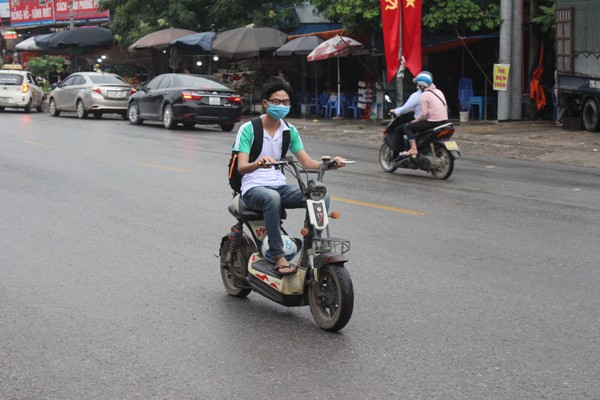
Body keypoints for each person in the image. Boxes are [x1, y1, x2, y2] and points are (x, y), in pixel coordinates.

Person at [233, 80, 346, 275]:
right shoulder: (249, 129)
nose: (282, 106)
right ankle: (278, 255)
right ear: (266, 103)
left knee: (320, 196)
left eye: (285, 102)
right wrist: (258, 164)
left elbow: (307, 163)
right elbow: (241, 167)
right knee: (272, 198)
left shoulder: (289, 131)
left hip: (279, 186)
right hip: (253, 187)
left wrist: (331, 164)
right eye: (276, 102)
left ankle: (311, 247)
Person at [401, 71, 449, 157]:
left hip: (433, 122)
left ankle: (413, 149)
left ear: (422, 86)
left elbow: (423, 114)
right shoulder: (439, 91)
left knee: (407, 127)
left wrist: (416, 120)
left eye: (418, 85)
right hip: (444, 121)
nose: (418, 86)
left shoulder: (424, 95)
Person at [386, 86, 423, 158]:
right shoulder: (434, 93)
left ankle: (401, 153)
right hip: (436, 120)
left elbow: (405, 108)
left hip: (422, 120)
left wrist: (395, 111)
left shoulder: (417, 95)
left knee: (399, 129)